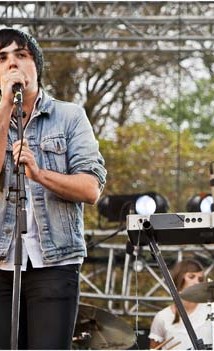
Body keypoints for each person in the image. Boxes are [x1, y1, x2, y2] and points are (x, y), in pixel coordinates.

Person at [0, 28, 107, 349]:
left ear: (37, 65)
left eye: (21, 55)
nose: (12, 65)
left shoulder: (70, 117)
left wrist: (38, 173)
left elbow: (91, 189)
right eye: (2, 58)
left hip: (56, 263)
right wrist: (5, 108)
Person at [149, 259, 214, 350]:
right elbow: (154, 348)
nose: (197, 282)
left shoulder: (212, 309)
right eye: (191, 277)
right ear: (179, 278)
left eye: (200, 279)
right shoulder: (162, 317)